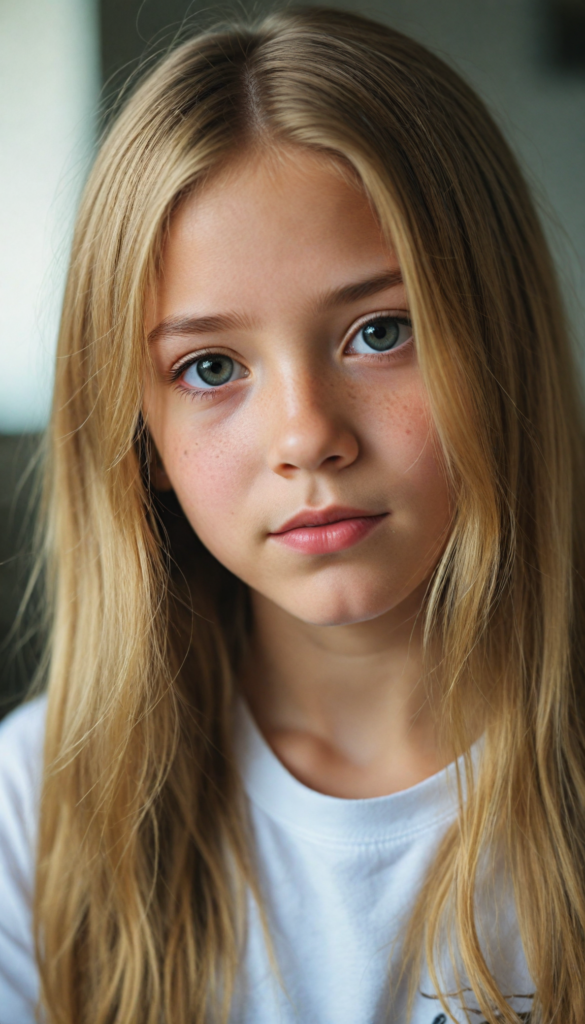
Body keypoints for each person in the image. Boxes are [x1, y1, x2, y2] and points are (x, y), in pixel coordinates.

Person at [0, 6, 583, 1023]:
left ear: (501, 342)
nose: (307, 434)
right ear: (142, 437)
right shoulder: (32, 805)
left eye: (381, 331)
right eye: (211, 367)